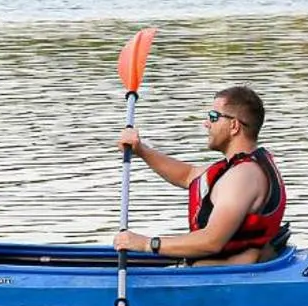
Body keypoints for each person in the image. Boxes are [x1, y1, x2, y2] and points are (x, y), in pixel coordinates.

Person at [113, 86, 287, 264]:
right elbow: (187, 175)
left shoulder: (243, 177)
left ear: (234, 126)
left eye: (213, 117)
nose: (206, 123)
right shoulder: (239, 166)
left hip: (224, 278)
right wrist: (141, 150)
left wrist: (147, 244)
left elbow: (211, 241)